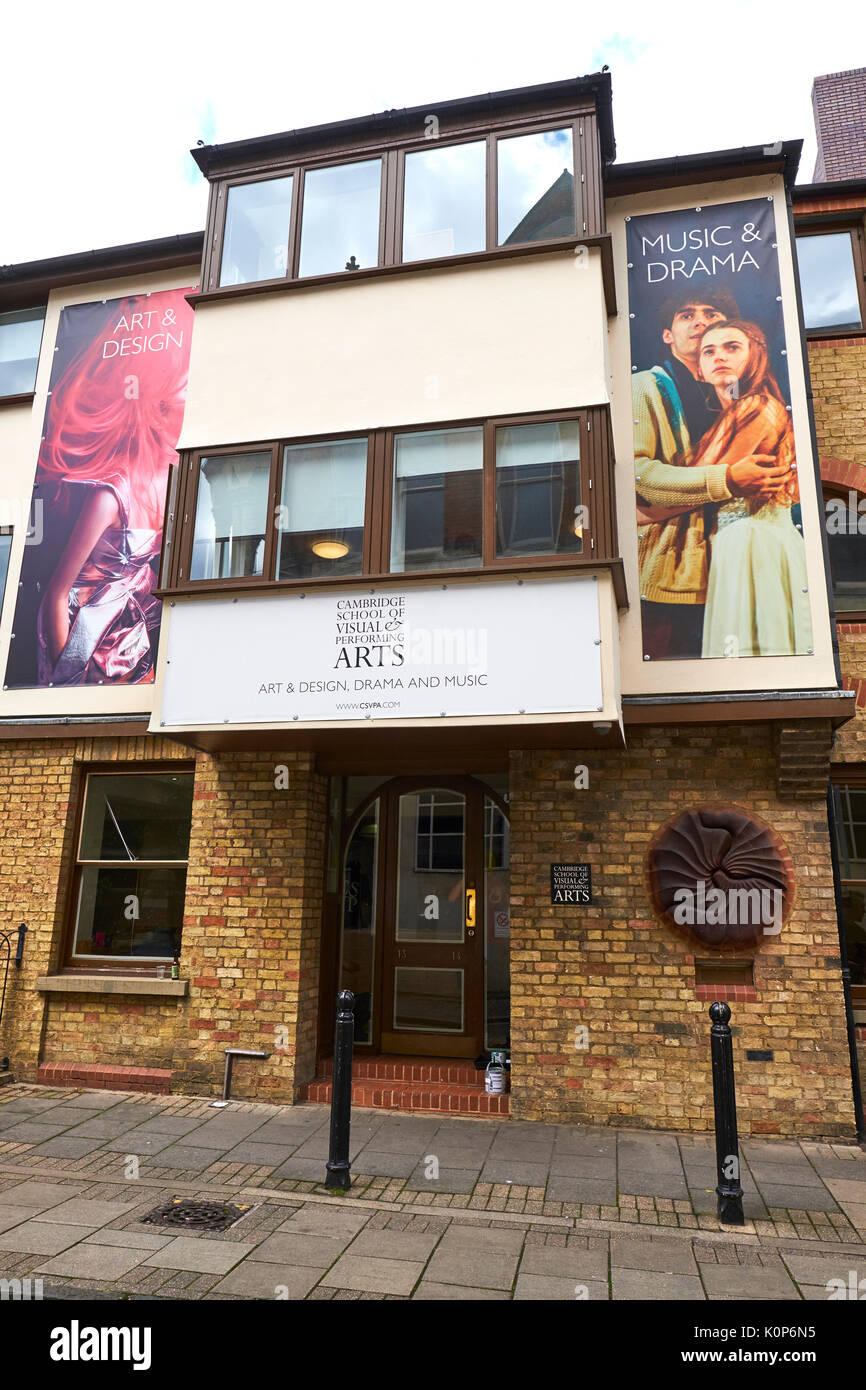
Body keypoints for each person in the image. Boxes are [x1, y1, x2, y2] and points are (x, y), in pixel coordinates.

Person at [36, 301, 188, 685]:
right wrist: (64, 684)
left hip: (132, 641)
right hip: (85, 645)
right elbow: (57, 595)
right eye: (185, 390)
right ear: (161, 407)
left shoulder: (174, 482)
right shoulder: (110, 494)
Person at [633, 290, 788, 659]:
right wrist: (727, 480)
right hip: (674, 576)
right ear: (667, 336)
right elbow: (637, 476)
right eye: (686, 315)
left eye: (711, 313)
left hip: (731, 566)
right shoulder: (645, 386)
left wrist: (645, 511)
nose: (700, 321)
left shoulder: (748, 403)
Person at [690, 320, 812, 657]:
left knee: (753, 650)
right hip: (743, 541)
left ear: (755, 356)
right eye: (708, 351)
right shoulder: (727, 417)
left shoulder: (756, 406)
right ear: (699, 369)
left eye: (732, 347)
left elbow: (695, 484)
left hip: (753, 540)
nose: (719, 357)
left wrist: (641, 511)